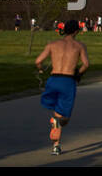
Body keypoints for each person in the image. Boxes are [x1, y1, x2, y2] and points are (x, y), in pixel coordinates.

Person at [35, 21, 90, 155]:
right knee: (63, 117)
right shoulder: (79, 46)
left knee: (56, 111)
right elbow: (86, 64)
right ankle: (57, 125)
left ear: (63, 30)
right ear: (76, 31)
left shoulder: (52, 44)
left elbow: (38, 61)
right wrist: (79, 74)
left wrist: (41, 70)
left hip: (53, 79)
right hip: (68, 81)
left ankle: (56, 145)